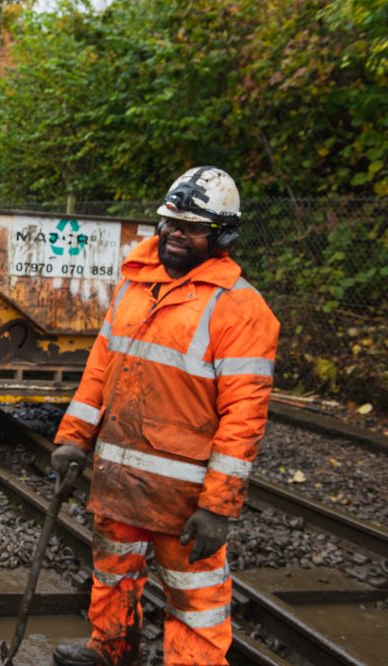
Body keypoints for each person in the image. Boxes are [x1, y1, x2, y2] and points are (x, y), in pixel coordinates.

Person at [50, 166, 280, 666]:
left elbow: (244, 417)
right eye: (170, 222)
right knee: (113, 572)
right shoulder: (136, 286)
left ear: (222, 236)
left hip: (184, 495)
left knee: (195, 598)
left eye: (192, 227)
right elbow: (99, 369)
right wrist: (74, 438)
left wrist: (218, 506)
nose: (176, 233)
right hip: (119, 479)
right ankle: (109, 648)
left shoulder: (240, 309)